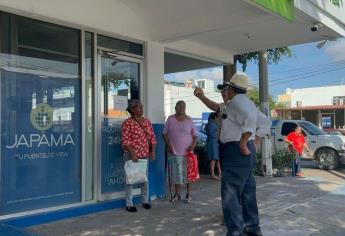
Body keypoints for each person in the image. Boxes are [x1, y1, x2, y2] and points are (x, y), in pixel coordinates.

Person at [194, 73, 266, 236]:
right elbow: (265, 123)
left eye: (225, 88)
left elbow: (248, 121)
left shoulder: (236, 104)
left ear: (232, 89)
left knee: (231, 195)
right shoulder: (242, 104)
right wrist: (254, 141)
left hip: (236, 150)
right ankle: (253, 230)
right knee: (247, 192)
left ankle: (235, 232)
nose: (222, 92)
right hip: (242, 151)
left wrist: (244, 141)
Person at [121, 100, 156, 213]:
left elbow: (152, 138)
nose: (141, 109)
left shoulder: (147, 122)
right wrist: (133, 153)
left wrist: (153, 151)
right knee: (130, 179)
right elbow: (126, 141)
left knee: (144, 179)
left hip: (144, 155)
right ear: (132, 109)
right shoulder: (127, 123)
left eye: (142, 107)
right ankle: (129, 203)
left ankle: (145, 201)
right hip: (132, 156)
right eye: (139, 107)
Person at [163, 100, 197, 203]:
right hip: (174, 151)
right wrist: (168, 146)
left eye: (184, 106)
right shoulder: (170, 119)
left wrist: (193, 145)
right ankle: (177, 194)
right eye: (180, 106)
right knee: (176, 173)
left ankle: (188, 194)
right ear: (175, 108)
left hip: (188, 152)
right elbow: (164, 134)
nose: (182, 108)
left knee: (188, 174)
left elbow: (195, 136)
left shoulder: (189, 120)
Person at [205, 112, 222, 180]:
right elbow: (212, 133)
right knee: (213, 158)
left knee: (216, 158)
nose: (218, 118)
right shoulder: (212, 124)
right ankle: (212, 174)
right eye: (217, 117)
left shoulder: (210, 124)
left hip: (213, 142)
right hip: (212, 142)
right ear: (214, 117)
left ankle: (220, 173)